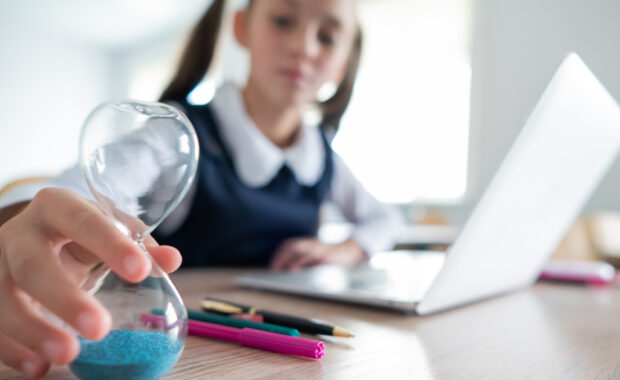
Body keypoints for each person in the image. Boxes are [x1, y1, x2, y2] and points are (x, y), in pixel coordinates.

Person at [0, 0, 403, 377]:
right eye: (283, 20)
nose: (302, 46)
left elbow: (386, 219)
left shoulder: (323, 154)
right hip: (190, 337)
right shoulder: (177, 134)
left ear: (345, 61)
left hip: (273, 328)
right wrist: (29, 217)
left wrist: (347, 248)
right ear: (242, 28)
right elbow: (74, 189)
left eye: (328, 37)